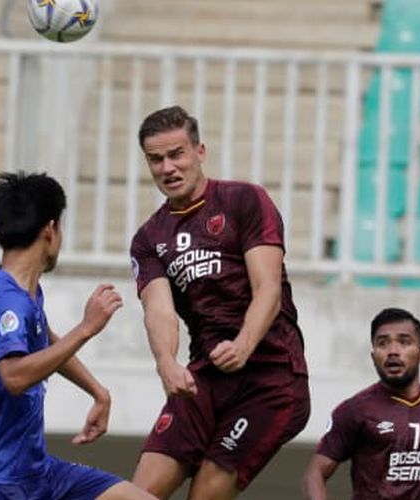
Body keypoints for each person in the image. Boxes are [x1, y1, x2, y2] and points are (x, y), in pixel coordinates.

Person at [129, 105, 311, 499]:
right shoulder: (149, 238)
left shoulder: (244, 200)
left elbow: (268, 288)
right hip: (205, 377)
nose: (167, 168)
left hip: (271, 378)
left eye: (176, 154)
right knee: (136, 494)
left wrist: (244, 344)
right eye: (155, 159)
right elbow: (158, 310)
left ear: (200, 152)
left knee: (205, 493)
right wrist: (166, 363)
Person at [0, 171, 155, 500]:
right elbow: (14, 375)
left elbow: (47, 340)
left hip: (38, 472)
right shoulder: (8, 301)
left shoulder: (27, 292)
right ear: (50, 230)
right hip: (0, 483)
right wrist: (86, 328)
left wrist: (98, 391)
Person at [302, 307, 420, 500]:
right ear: (373, 356)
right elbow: (314, 474)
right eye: (383, 343)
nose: (393, 351)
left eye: (404, 342)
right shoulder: (355, 410)